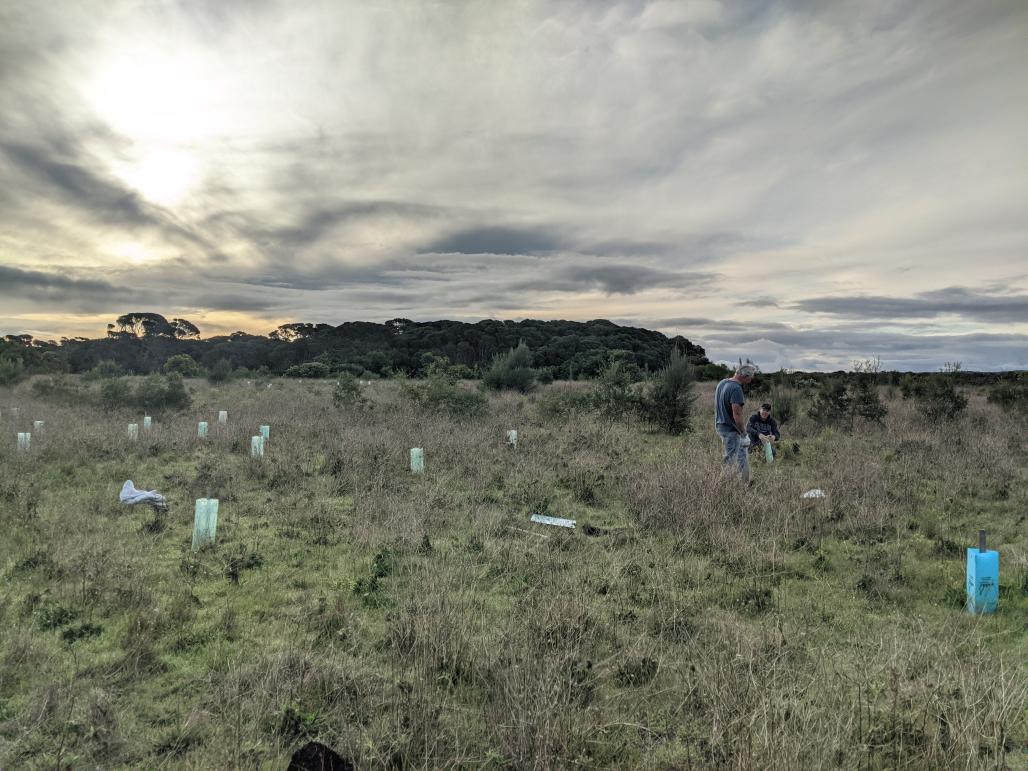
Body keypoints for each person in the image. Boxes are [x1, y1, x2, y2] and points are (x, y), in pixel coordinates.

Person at [714, 364, 756, 482]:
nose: (751, 379)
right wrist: (743, 433)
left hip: (720, 425)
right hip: (731, 429)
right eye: (751, 377)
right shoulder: (736, 388)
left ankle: (744, 481)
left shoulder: (722, 383)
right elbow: (737, 414)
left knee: (737, 454)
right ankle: (728, 484)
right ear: (744, 376)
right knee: (733, 458)